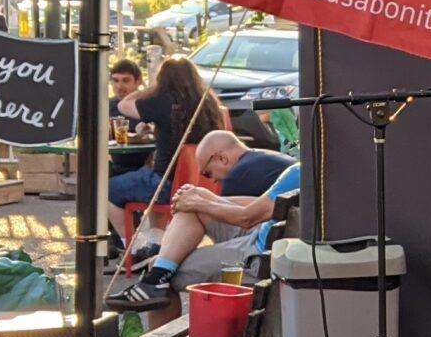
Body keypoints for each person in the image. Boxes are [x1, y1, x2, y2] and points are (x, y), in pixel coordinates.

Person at [109, 130, 298, 309]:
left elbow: (246, 218)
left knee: (163, 271)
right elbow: (258, 205)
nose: (213, 181)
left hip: (260, 253)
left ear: (221, 158)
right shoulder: (302, 169)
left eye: (207, 174)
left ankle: (156, 281)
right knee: (193, 203)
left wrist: (200, 203)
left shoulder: (253, 173)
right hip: (273, 235)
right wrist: (204, 198)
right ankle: (157, 276)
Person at [105, 53, 227, 245]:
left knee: (105, 189)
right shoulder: (208, 103)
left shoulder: (164, 101)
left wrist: (153, 87)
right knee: (146, 177)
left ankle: (132, 248)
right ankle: (156, 244)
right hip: (201, 183)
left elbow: (124, 105)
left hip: (167, 185)